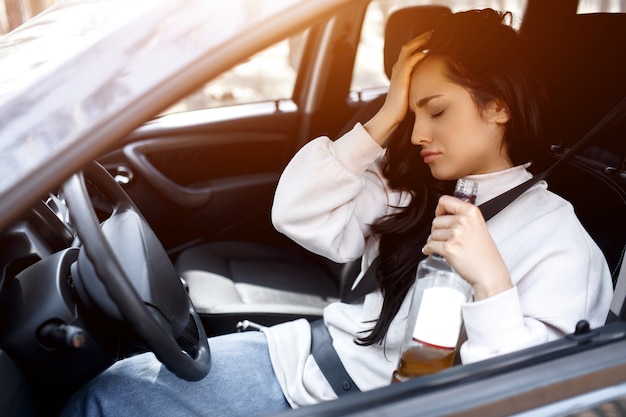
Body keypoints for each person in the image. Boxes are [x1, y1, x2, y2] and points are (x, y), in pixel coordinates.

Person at [61, 8, 613, 417]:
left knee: (110, 401)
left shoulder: (561, 241)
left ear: (498, 106)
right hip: (307, 358)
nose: (418, 133)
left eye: (436, 110)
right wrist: (383, 118)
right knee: (112, 390)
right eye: (410, 111)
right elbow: (296, 213)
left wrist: (492, 284)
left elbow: (532, 398)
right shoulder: (412, 192)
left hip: (366, 401)